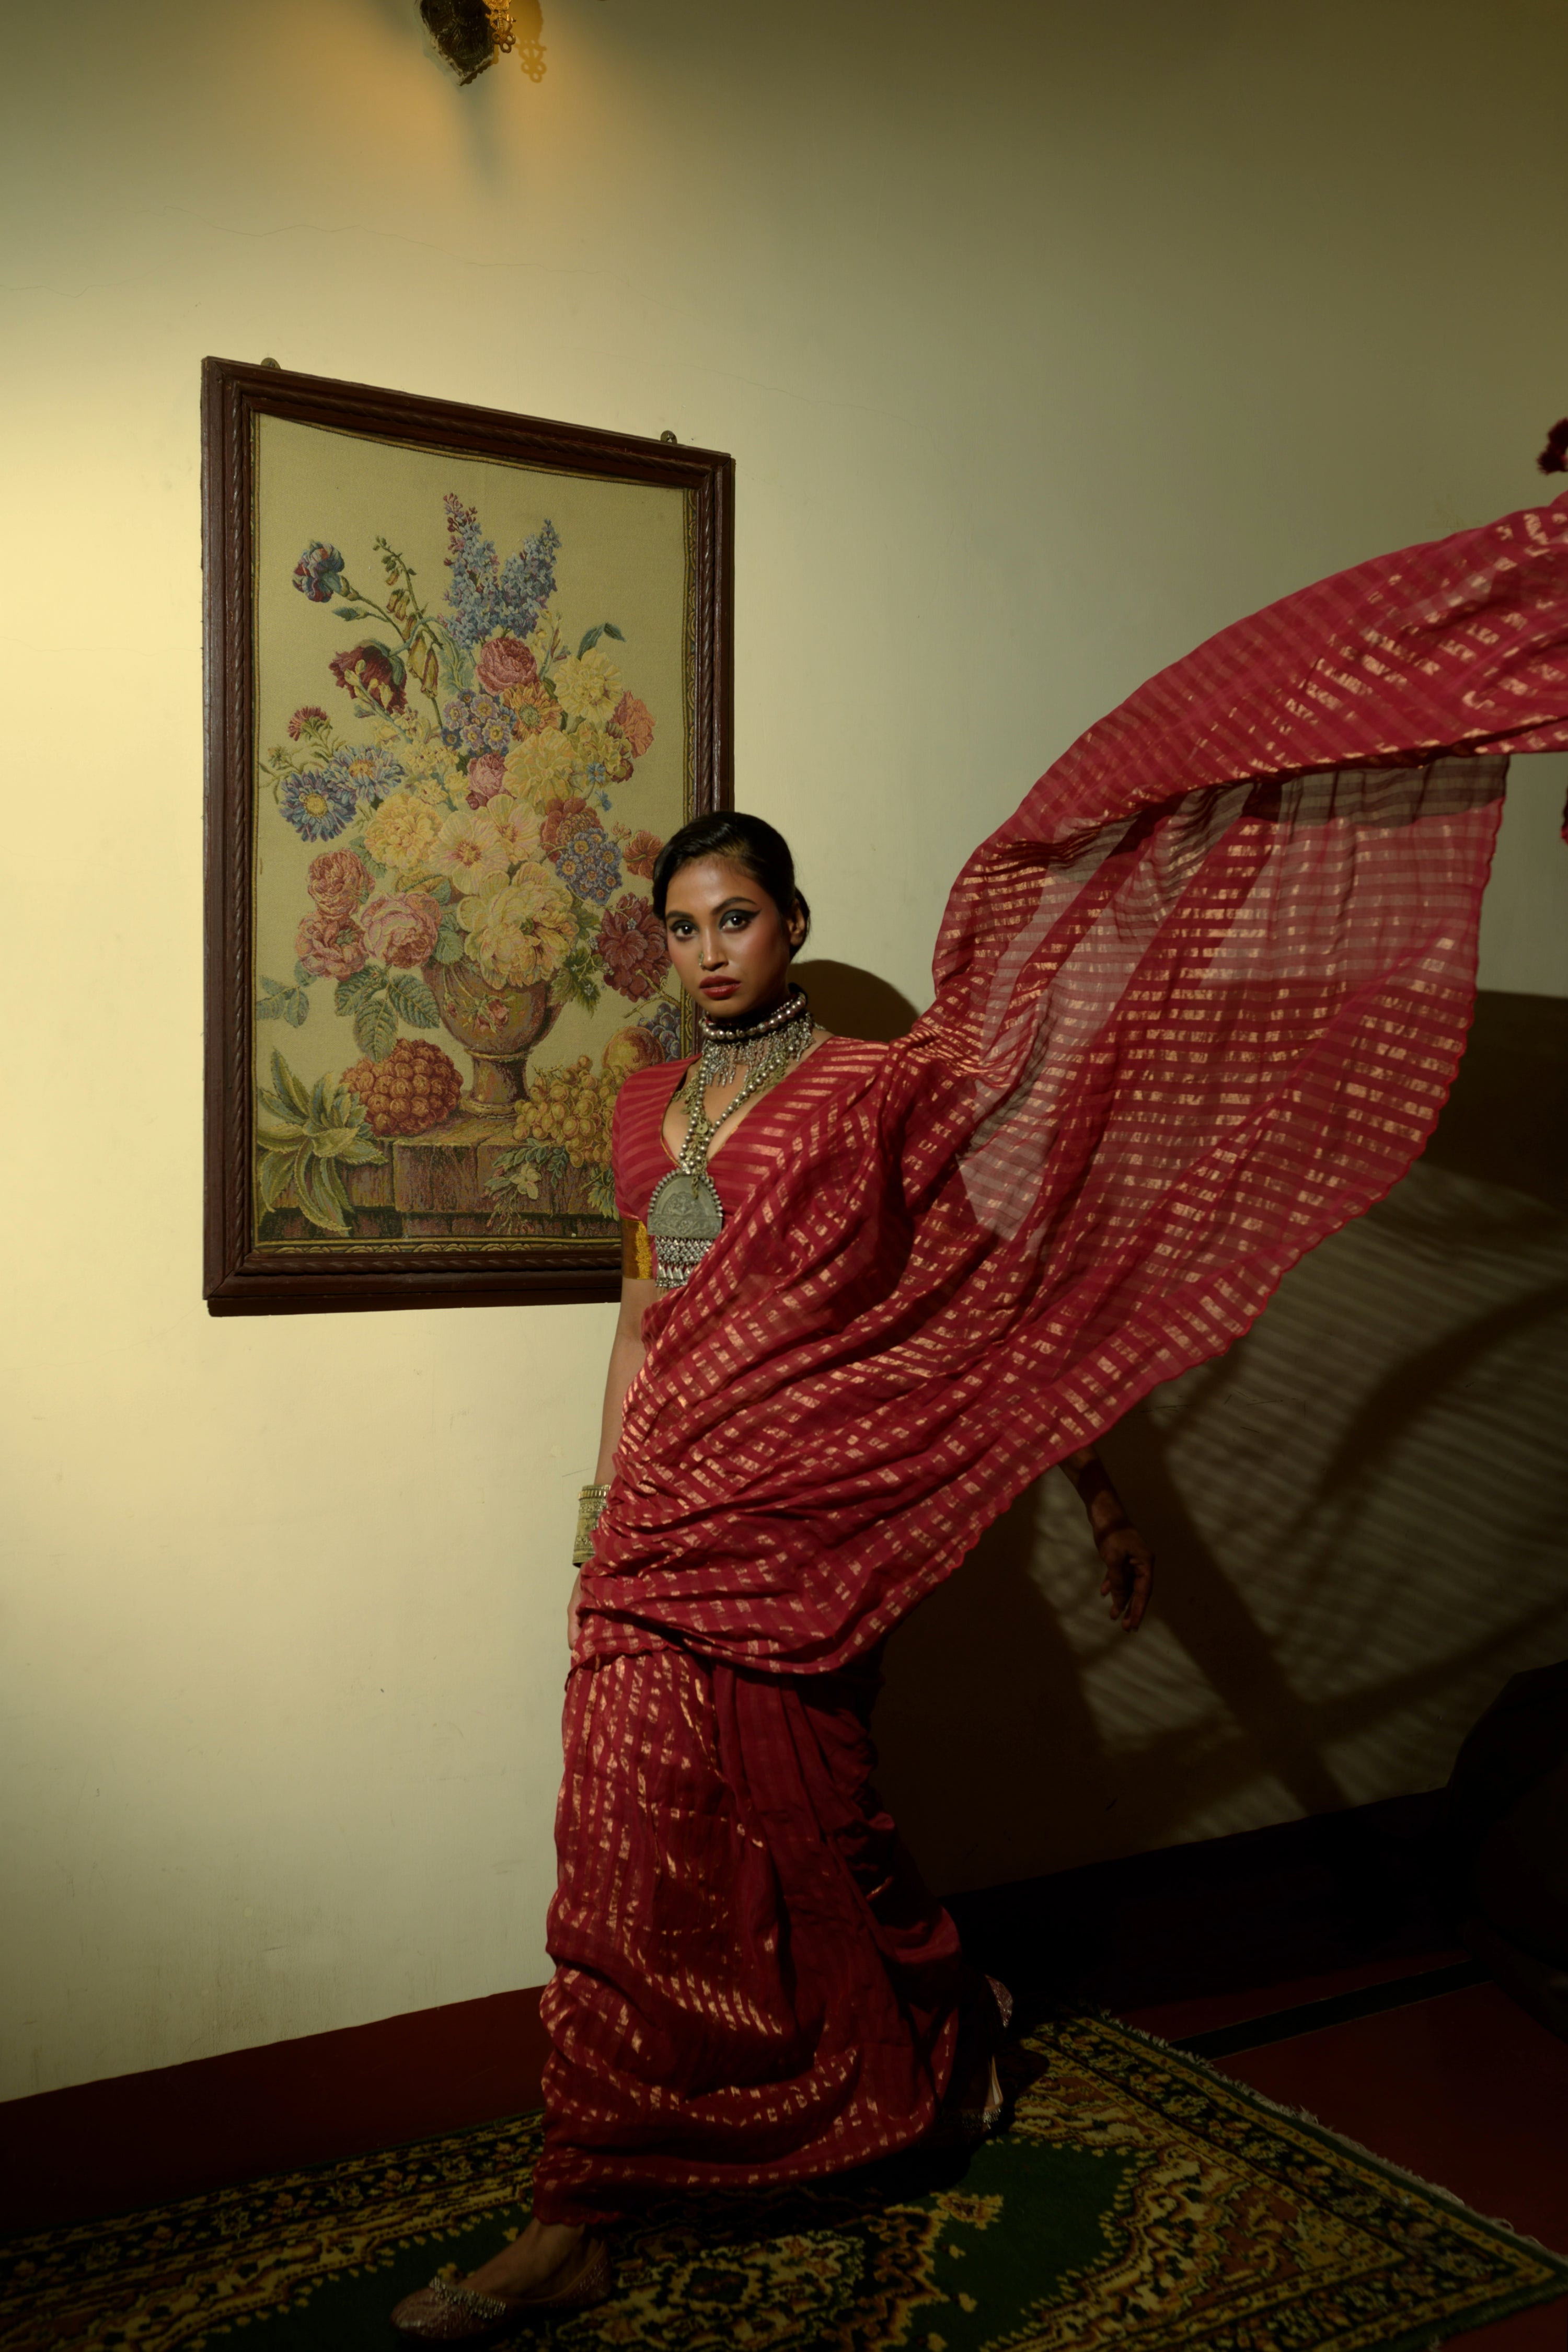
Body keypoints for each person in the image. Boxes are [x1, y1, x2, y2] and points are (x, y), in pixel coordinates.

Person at [393, 480, 1568, 2337]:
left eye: (738, 916)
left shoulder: (875, 1092)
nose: (708, 951)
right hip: (661, 1519)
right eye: (681, 926)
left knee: (826, 1828)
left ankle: (928, 2048)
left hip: (816, 1517)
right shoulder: (634, 1112)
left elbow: (1001, 1289)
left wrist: (1093, 1489)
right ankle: (586, 2198)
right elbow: (636, 1320)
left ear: (793, 923)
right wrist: (592, 1521)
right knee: (616, 1849)